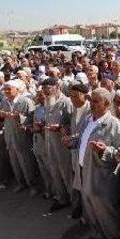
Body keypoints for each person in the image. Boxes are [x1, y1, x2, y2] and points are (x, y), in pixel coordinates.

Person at [76, 88, 120, 239]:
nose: (92, 104)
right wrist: (72, 140)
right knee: (89, 203)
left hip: (102, 173)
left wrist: (105, 150)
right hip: (85, 168)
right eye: (91, 100)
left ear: (107, 104)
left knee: (104, 207)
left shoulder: (114, 123)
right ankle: (98, 233)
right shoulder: (88, 119)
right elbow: (82, 137)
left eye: (96, 101)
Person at [0, 79, 40, 195]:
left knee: (26, 162)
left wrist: (18, 118)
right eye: (5, 89)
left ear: (17, 90)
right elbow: (1, 118)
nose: (6, 91)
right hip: (10, 137)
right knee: (15, 162)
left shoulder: (26, 101)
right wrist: (0, 115)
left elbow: (32, 119)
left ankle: (33, 185)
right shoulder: (4, 102)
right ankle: (21, 183)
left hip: (22, 137)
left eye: (9, 89)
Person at [42, 77, 74, 210]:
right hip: (50, 142)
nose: (46, 91)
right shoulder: (47, 101)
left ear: (57, 87)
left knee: (66, 173)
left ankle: (75, 202)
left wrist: (60, 127)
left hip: (62, 144)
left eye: (48, 88)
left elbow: (73, 123)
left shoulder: (66, 102)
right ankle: (62, 198)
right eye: (44, 89)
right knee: (55, 171)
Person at [64, 82, 91, 219]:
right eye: (71, 96)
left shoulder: (90, 111)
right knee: (78, 181)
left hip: (86, 154)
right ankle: (79, 208)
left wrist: (73, 137)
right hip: (75, 151)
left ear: (85, 96)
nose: (73, 99)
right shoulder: (74, 109)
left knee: (86, 184)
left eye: (76, 96)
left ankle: (87, 214)